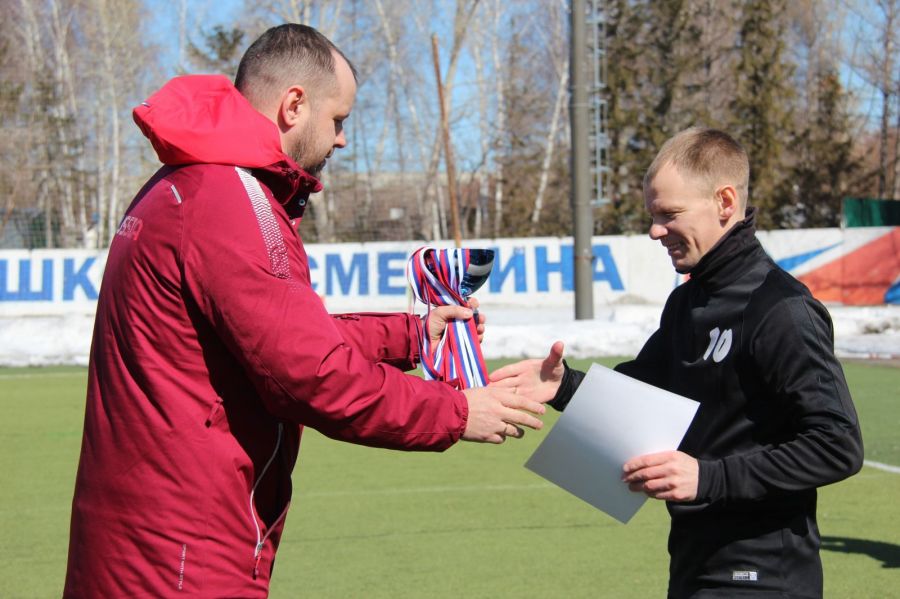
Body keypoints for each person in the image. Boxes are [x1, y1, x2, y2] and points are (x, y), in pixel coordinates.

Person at [64, 24, 546, 597]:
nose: (342, 140)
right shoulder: (228, 199)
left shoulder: (192, 183)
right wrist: (457, 412)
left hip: (150, 540)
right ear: (295, 104)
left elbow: (275, 340)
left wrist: (414, 337)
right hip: (180, 557)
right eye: (338, 120)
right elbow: (311, 374)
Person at [491, 127, 864, 598]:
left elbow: (838, 445)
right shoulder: (687, 304)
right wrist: (562, 386)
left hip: (764, 577)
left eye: (669, 214)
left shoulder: (781, 309)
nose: (654, 230)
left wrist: (709, 477)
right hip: (693, 561)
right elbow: (640, 394)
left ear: (725, 201)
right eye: (652, 215)